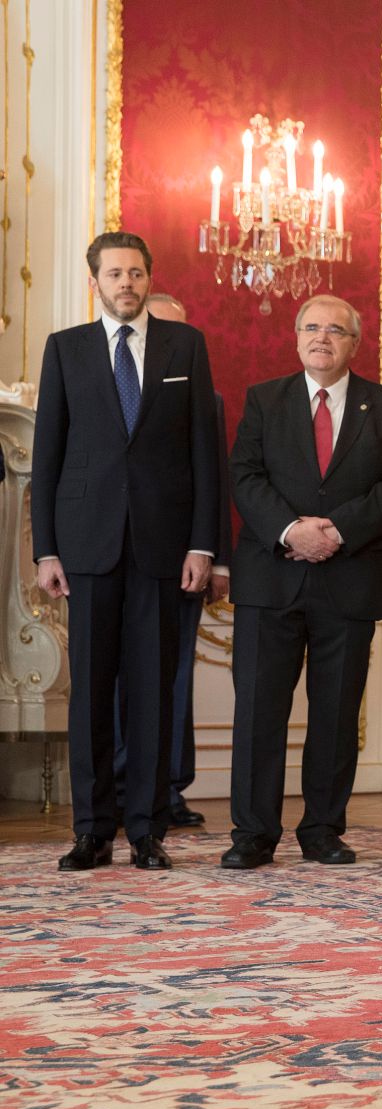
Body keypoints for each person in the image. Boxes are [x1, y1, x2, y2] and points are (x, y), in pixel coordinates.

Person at [34, 232, 219, 872]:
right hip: (86, 547)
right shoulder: (66, 350)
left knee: (152, 691)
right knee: (89, 694)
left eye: (136, 272)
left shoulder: (185, 346)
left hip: (163, 548)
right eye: (114, 273)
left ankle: (146, 829)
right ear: (96, 281)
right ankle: (91, 831)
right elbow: (47, 460)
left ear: (147, 276)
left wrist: (204, 544)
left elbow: (204, 455)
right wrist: (46, 550)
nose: (126, 283)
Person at [221, 294, 382, 869]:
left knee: (335, 713)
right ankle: (253, 835)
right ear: (296, 337)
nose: (322, 338)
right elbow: (244, 476)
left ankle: (323, 830)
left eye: (336, 330)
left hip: (350, 576)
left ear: (355, 343)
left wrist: (336, 531)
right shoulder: (264, 400)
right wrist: (290, 530)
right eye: (312, 327)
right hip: (270, 579)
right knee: (259, 711)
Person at [111, 292, 230, 831]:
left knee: (173, 677)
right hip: (111, 554)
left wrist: (217, 559)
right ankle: (118, 785)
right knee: (114, 677)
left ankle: (168, 788)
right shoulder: (102, 381)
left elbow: (216, 479)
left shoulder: (207, 397)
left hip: (181, 558)